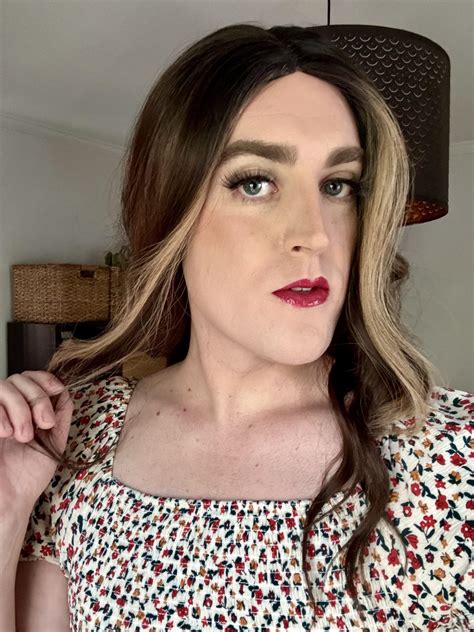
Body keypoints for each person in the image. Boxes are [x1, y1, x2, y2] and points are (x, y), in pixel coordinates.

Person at [1, 22, 472, 632]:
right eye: (256, 183)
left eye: (338, 186)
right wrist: (7, 509)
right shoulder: (77, 440)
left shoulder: (453, 458)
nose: (315, 234)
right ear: (170, 210)